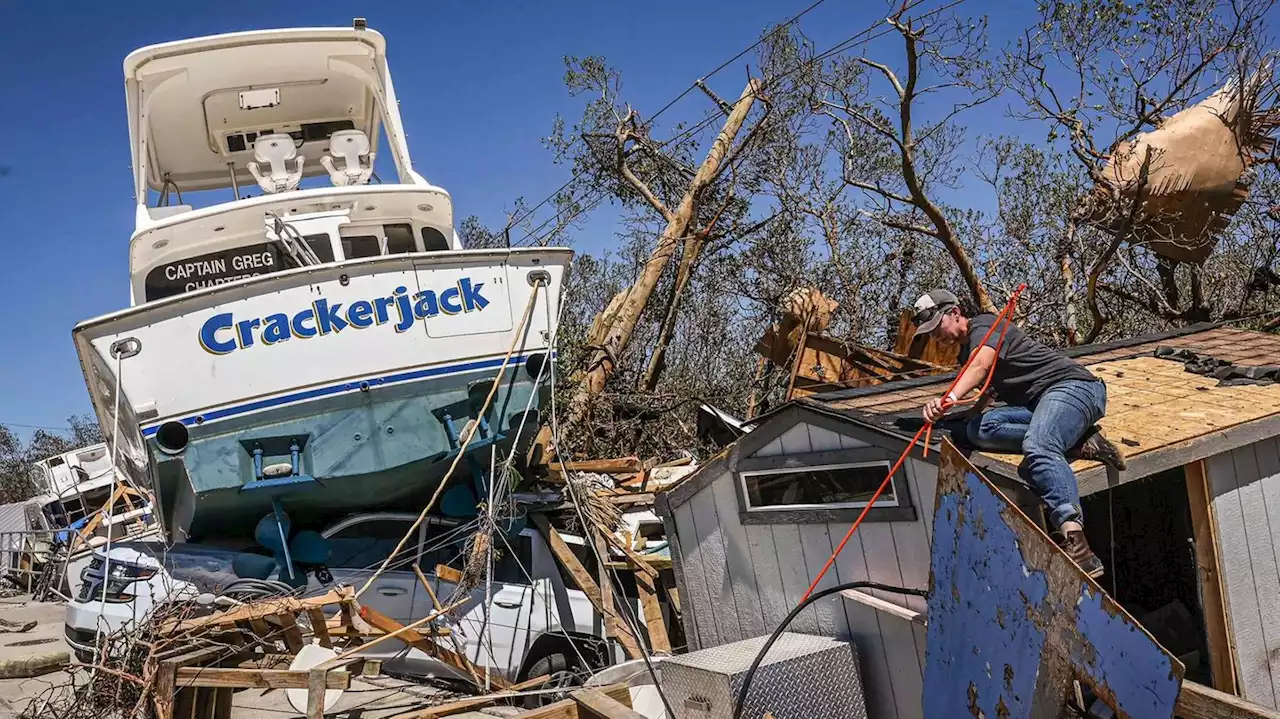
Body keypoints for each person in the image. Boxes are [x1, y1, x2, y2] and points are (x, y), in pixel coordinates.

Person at [910, 289, 1124, 578]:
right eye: (930, 333)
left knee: (1039, 446)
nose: (936, 337)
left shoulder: (985, 326)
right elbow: (988, 388)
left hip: (1075, 389)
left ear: (956, 312)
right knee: (979, 429)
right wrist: (969, 414)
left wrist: (945, 400)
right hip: (1042, 404)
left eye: (937, 328)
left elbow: (980, 365)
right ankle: (1079, 440)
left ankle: (1079, 545)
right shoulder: (967, 351)